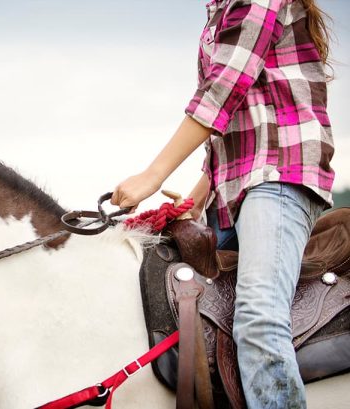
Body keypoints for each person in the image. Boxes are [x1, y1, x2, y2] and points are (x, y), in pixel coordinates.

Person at [111, 0, 334, 407]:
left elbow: (222, 92)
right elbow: (235, 125)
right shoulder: (219, 10)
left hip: (280, 176)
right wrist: (197, 199)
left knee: (259, 321)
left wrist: (152, 176)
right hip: (234, 189)